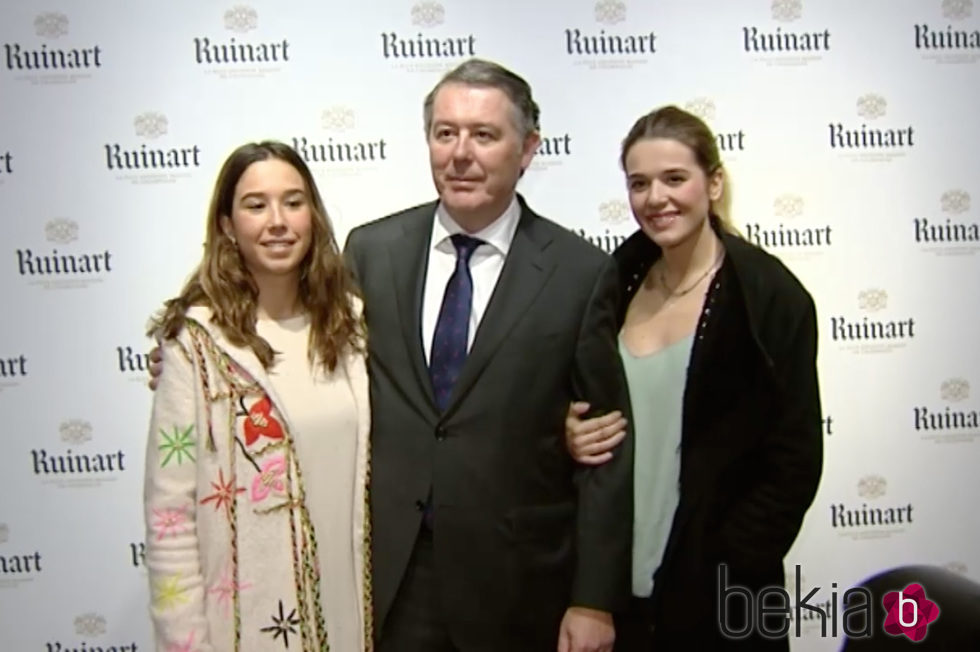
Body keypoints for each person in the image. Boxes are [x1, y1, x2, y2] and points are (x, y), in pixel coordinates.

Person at [342, 59, 633, 651]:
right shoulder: (372, 252)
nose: (460, 153)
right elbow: (309, 359)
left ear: (527, 149)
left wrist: (594, 598)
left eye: (484, 135)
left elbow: (606, 446)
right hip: (394, 577)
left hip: (520, 585)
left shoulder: (581, 273)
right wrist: (199, 362)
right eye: (445, 133)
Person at [565, 106, 822, 649]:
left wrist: (728, 563)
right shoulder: (610, 288)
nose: (656, 198)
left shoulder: (770, 298)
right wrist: (566, 430)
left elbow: (795, 460)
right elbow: (579, 402)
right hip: (617, 598)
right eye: (639, 183)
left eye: (674, 178)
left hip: (721, 600)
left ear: (714, 182)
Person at [144, 141, 372, 651]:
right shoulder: (196, 344)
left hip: (355, 609)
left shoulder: (351, 327)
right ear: (227, 224)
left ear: (312, 214)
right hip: (249, 625)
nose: (277, 221)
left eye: (293, 202)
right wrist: (184, 642)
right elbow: (169, 517)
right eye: (255, 205)